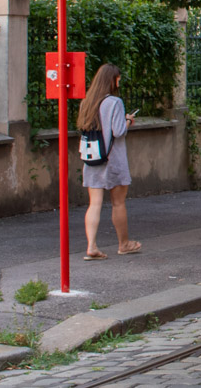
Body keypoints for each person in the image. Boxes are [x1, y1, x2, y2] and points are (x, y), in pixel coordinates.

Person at [77, 63, 141, 259]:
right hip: (113, 159)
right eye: (118, 79)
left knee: (94, 203)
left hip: (93, 158)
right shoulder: (114, 102)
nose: (119, 83)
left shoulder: (86, 102)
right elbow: (118, 131)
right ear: (111, 80)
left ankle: (91, 246)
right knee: (118, 203)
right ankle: (124, 244)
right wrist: (128, 120)